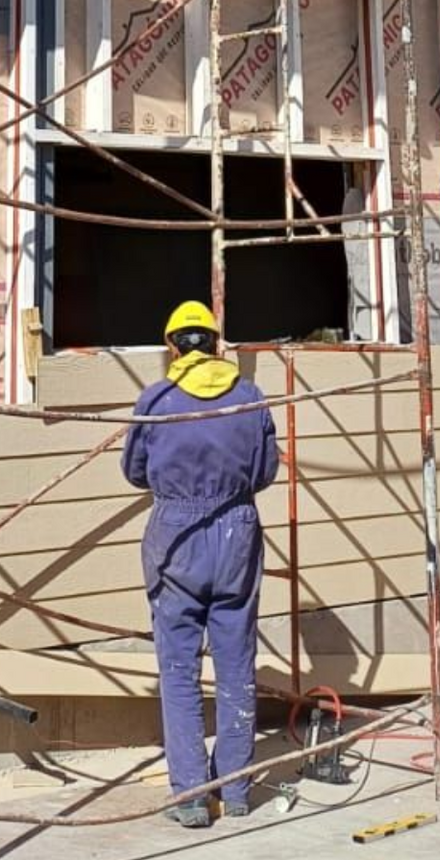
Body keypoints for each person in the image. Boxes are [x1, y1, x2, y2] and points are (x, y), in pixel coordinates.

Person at [122, 301, 282, 827]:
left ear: (172, 348)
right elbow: (264, 472)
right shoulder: (250, 396)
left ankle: (191, 795)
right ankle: (234, 791)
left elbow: (135, 471)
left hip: (177, 535)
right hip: (237, 531)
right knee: (237, 663)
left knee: (179, 669)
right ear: (217, 343)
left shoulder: (158, 398)